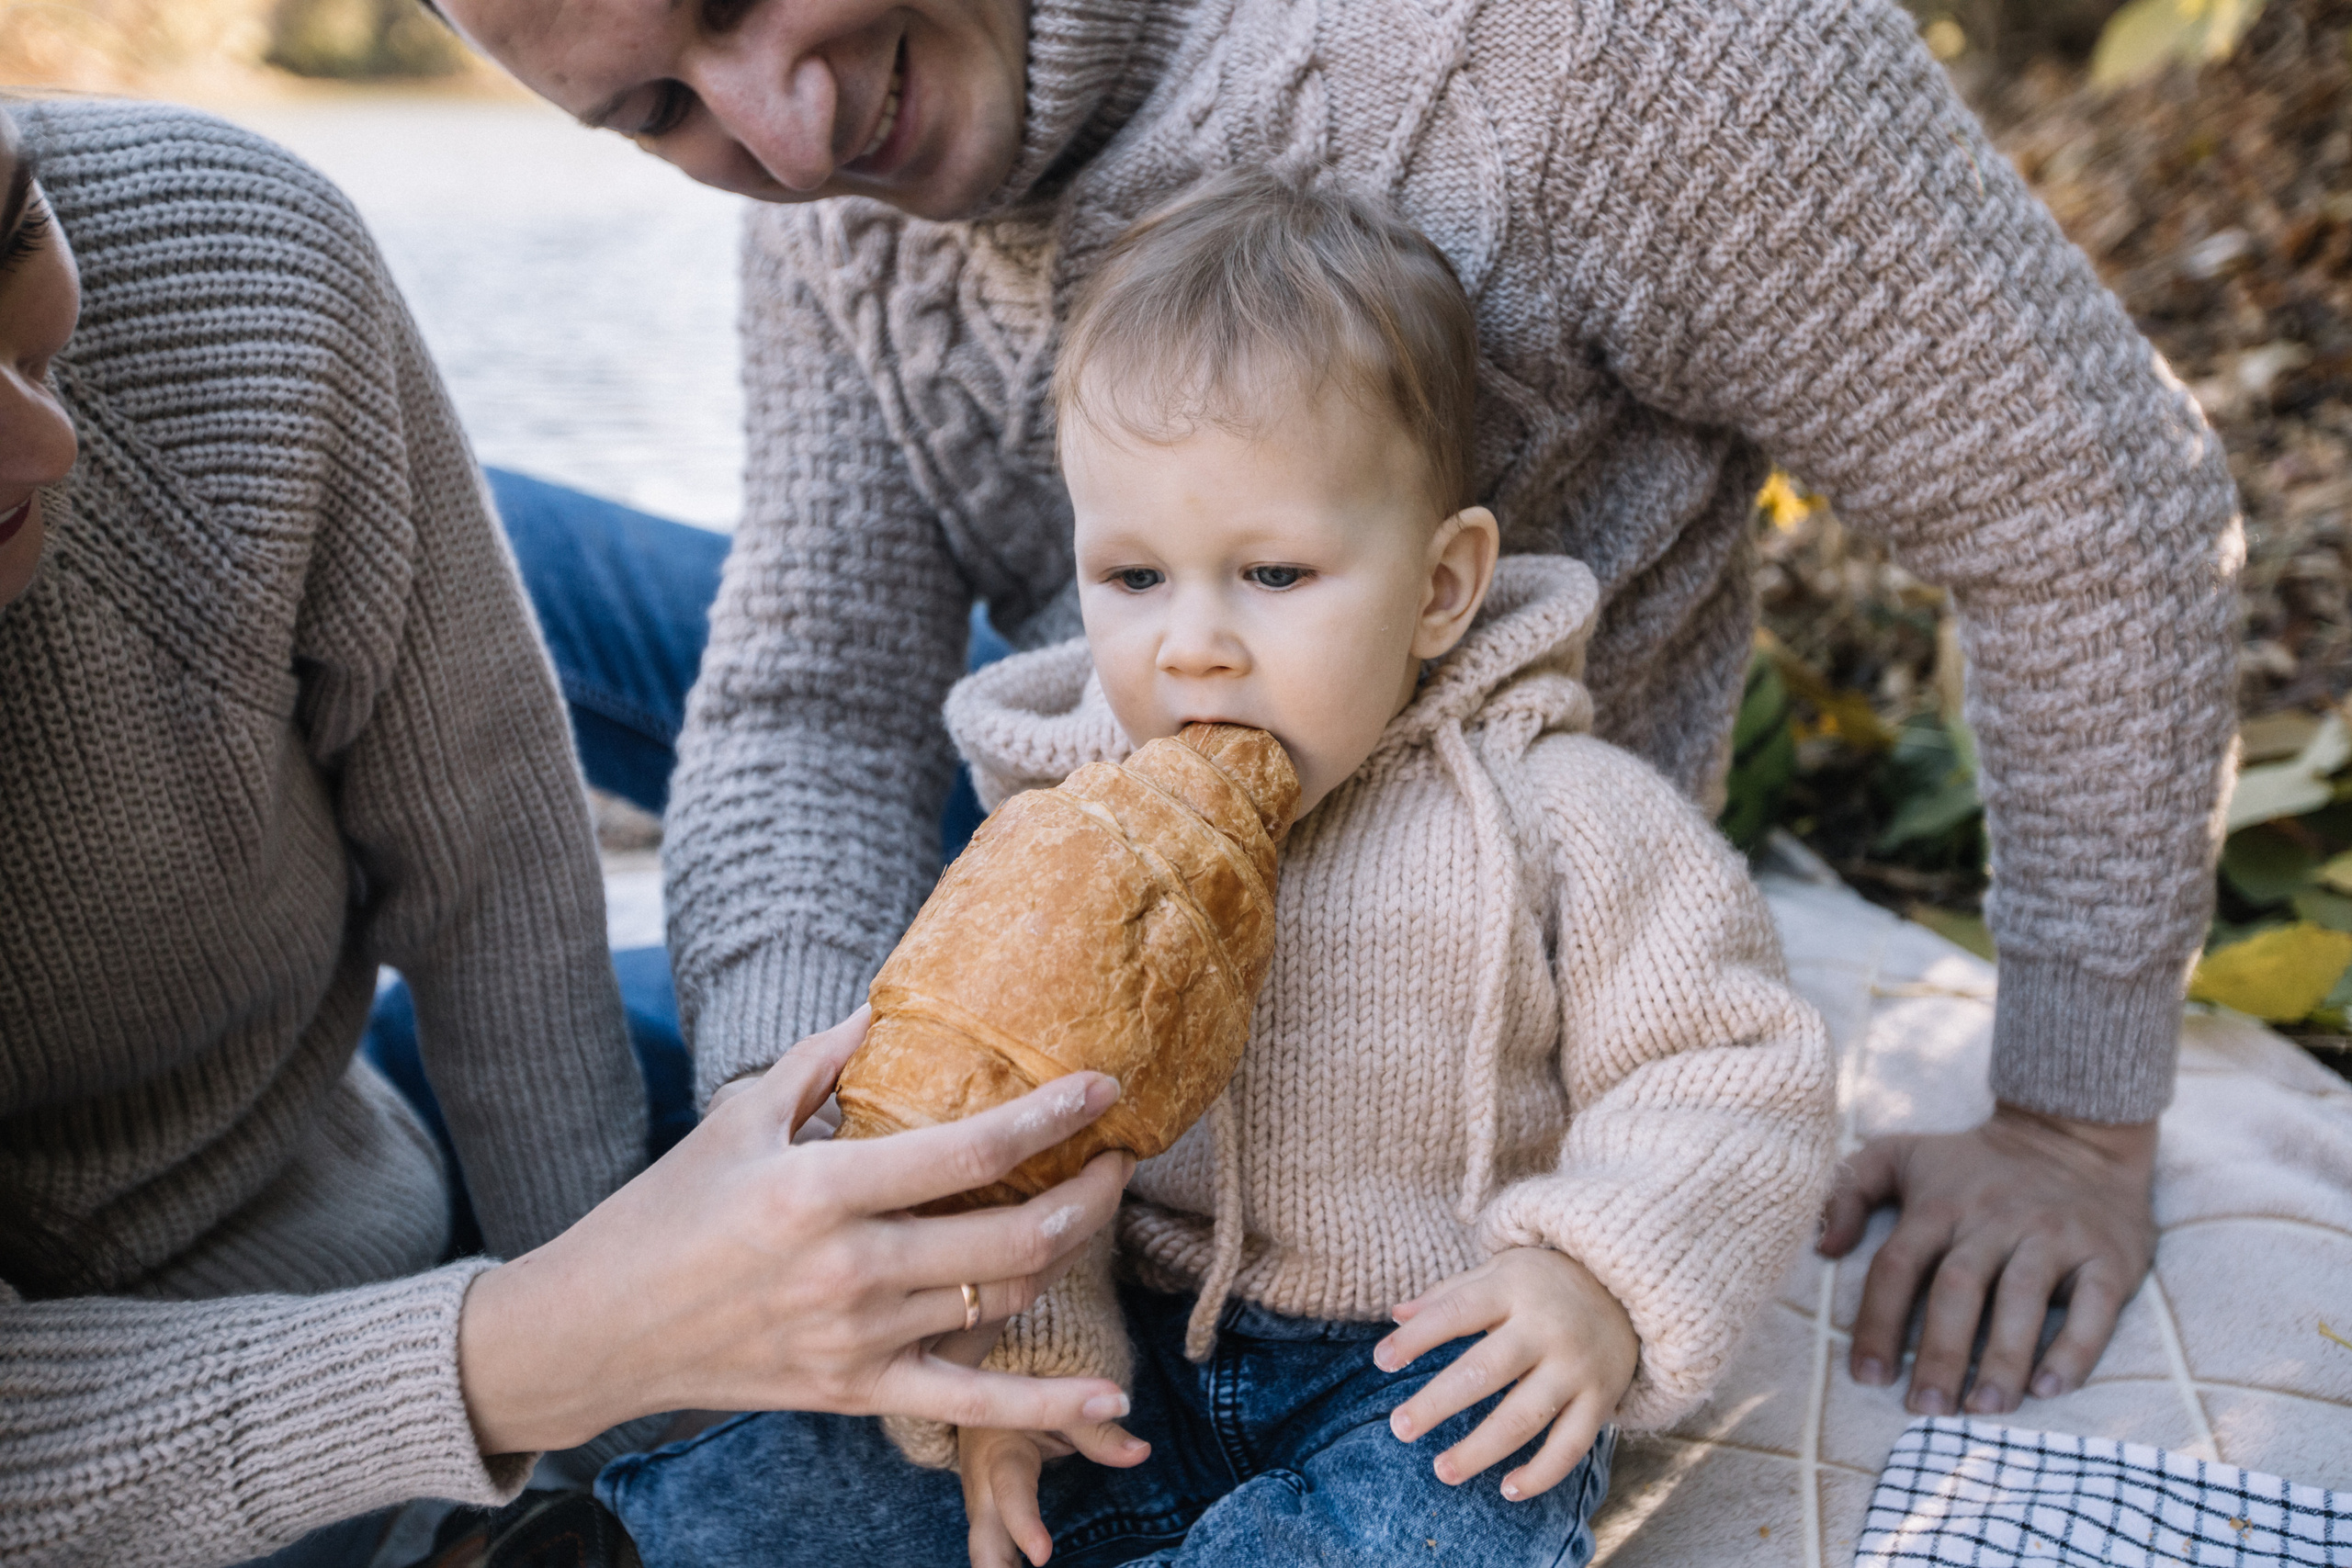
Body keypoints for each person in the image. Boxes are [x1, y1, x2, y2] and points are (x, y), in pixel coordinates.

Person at [438, 0, 2242, 1421]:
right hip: (1070, 732)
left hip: (1441, 818)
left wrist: (2068, 1126)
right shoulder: (822, 196)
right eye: (655, 112)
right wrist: (808, 1144)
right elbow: (816, 698)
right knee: (442, 546)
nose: (786, 133)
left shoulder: (1618, 48)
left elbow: (2091, 503)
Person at [597, 173, 1836, 1568]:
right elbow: (1032, 1137)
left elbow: (1729, 1069)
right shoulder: (1068, 829)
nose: (1193, 647)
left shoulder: (1567, 813)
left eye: (1275, 576)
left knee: (1454, 1505)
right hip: (1141, 1351)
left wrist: (1594, 1275)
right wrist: (1023, 1375)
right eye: (1135, 579)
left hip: (1420, 1361)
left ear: (1440, 587)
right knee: (798, 1488)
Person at [0, 99, 1135, 1568]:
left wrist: (652, 1380)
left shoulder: (227, 259)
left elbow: (500, 872)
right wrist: (566, 1345)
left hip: (348, 1165)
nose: (51, 436)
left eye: (12, 236)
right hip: (128, 1459)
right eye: (653, 107)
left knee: (818, 1060)